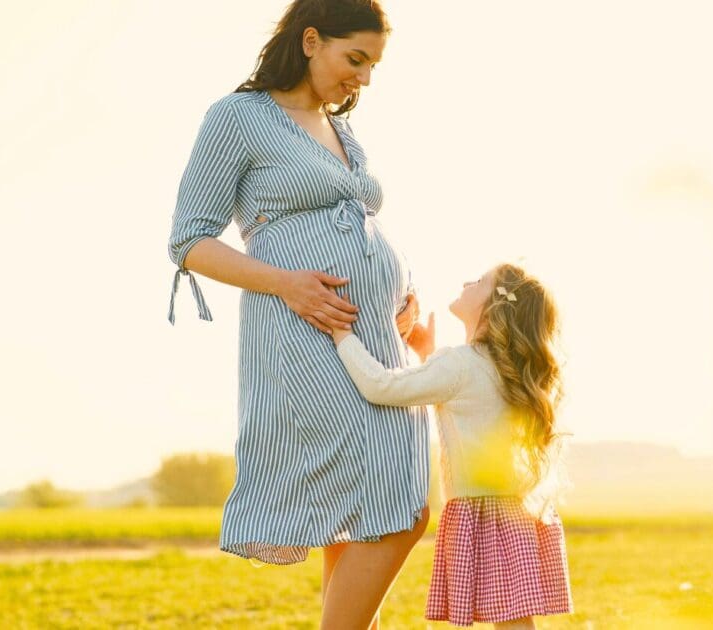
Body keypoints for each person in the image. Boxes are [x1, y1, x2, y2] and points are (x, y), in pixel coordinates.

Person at [166, 2, 428, 628]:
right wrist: (288, 286)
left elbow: (360, 228)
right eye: (354, 59)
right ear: (311, 40)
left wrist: (404, 291)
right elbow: (188, 240)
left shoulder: (338, 129)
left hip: (372, 343)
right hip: (305, 338)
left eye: (372, 66)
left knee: (360, 511)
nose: (363, 79)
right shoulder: (239, 117)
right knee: (404, 507)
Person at [330, 263, 574, 629]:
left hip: (481, 512)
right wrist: (427, 351)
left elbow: (380, 386)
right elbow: (469, 398)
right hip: (513, 512)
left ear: (494, 306)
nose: (466, 281)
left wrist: (342, 334)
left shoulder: (460, 365)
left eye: (478, 281)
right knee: (514, 621)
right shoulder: (501, 366)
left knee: (511, 622)